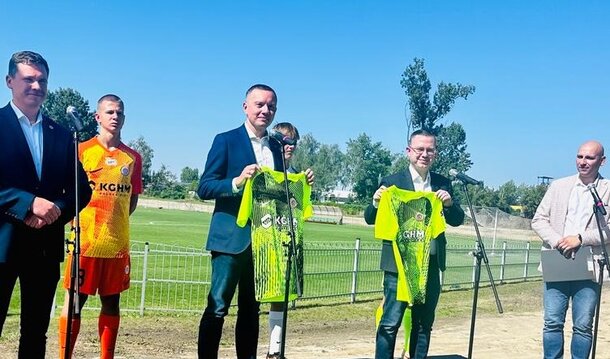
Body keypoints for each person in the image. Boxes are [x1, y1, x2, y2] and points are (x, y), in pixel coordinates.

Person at [197, 84, 314, 359]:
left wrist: (301, 184)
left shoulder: (277, 146)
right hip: (230, 241)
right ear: (245, 106)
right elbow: (205, 187)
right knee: (217, 307)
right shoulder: (225, 140)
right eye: (260, 104)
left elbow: (281, 192)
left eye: (271, 106)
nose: (265, 110)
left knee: (251, 309)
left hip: (266, 241)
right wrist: (237, 182)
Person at [0, 50, 92, 358]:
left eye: (42, 80)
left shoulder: (63, 135)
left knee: (35, 333)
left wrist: (54, 211)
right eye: (28, 79)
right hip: (2, 244)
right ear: (10, 81)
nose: (36, 86)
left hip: (44, 247)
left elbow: (82, 189)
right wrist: (27, 204)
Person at [364, 129, 465, 359]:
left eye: (430, 150)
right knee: (390, 323)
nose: (425, 154)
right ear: (409, 151)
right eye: (420, 149)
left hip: (429, 264)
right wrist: (376, 202)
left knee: (423, 324)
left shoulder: (442, 183)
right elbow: (370, 218)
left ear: (436, 154)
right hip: (398, 266)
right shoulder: (391, 182)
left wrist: (449, 204)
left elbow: (457, 219)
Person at [58, 94, 143, 359]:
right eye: (109, 112)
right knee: (74, 303)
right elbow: (67, 192)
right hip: (84, 242)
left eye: (119, 113)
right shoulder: (81, 151)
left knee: (112, 303)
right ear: (98, 117)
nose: (115, 117)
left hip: (116, 244)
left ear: (124, 118)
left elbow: (132, 200)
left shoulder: (132, 158)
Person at [531, 140, 609, 359]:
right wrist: (558, 241)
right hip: (556, 261)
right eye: (580, 156)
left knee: (583, 325)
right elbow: (538, 220)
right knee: (552, 322)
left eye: (589, 158)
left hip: (590, 265)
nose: (583, 162)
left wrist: (581, 239)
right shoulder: (558, 186)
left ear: (601, 161)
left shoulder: (607, 190)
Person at [265, 122, 301, 359]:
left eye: (293, 142)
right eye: (285, 141)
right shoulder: (264, 168)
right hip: (262, 237)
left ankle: (274, 350)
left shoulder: (297, 175)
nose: (290, 146)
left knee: (280, 298)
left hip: (286, 241)